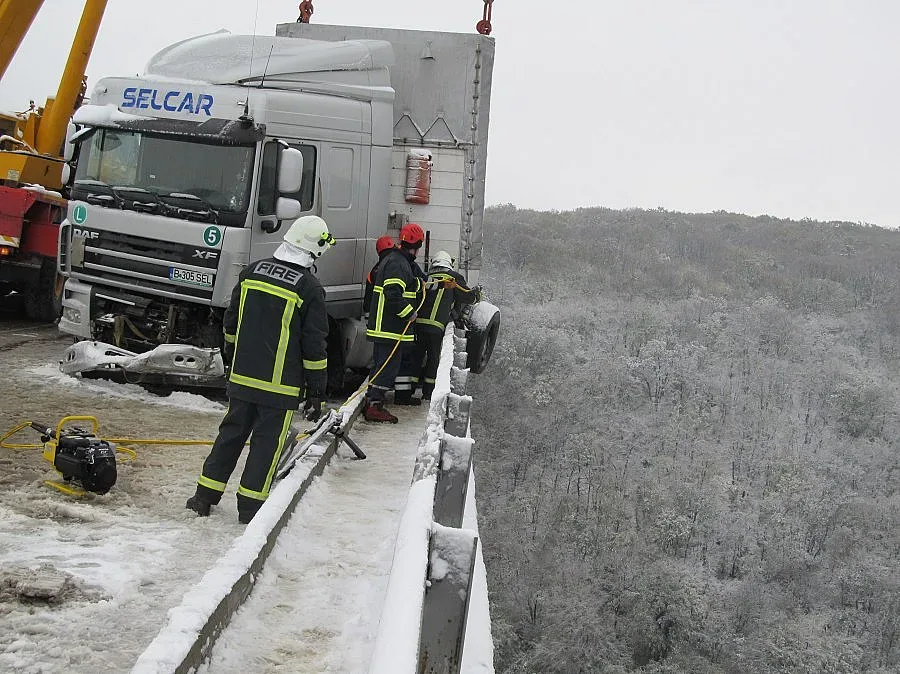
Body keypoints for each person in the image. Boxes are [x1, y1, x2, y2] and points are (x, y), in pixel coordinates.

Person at [186, 215, 335, 523]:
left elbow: (230, 324)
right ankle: (250, 509)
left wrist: (232, 360)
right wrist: (317, 391)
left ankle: (203, 497)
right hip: (279, 387)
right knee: (266, 446)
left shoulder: (252, 272)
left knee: (230, 435)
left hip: (242, 377)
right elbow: (314, 346)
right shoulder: (309, 288)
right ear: (315, 250)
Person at [363, 222, 425, 422]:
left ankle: (372, 402)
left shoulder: (398, 261)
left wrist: (423, 283)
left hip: (388, 327)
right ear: (417, 246)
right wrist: (410, 314)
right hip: (389, 327)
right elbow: (393, 294)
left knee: (382, 365)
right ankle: (374, 406)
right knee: (386, 368)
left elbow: (407, 284)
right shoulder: (398, 264)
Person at [414, 250, 479, 399]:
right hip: (437, 327)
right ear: (449, 263)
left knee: (415, 357)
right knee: (433, 359)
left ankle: (407, 391)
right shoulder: (453, 278)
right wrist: (476, 295)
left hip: (418, 325)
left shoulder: (427, 277)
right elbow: (467, 297)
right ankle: (428, 393)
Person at [363, 235, 397, 317]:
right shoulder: (403, 264)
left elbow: (368, 295)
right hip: (400, 313)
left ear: (378, 252)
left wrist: (367, 313)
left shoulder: (374, 272)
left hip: (379, 315)